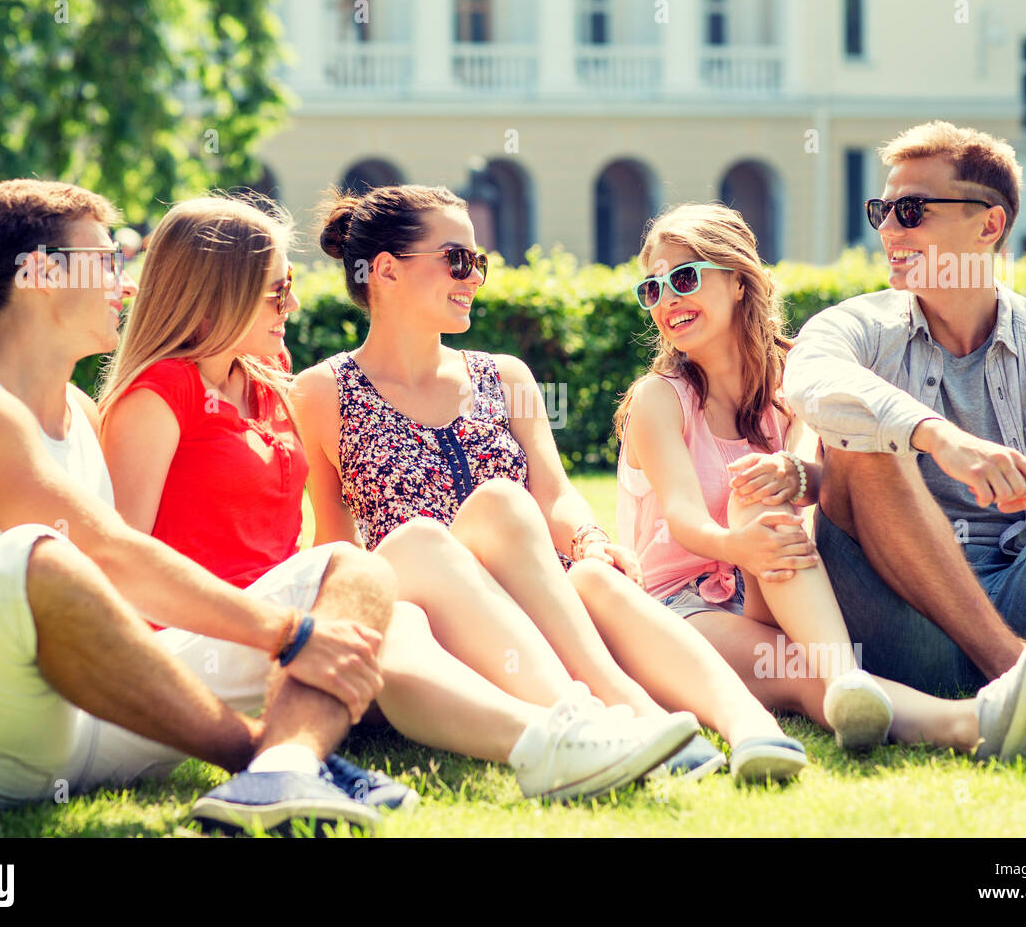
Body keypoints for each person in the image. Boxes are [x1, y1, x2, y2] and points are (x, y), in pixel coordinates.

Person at [97, 194, 697, 804]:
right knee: (415, 546)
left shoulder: (266, 386)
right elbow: (122, 570)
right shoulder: (158, 397)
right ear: (216, 291)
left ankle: (564, 731)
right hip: (225, 637)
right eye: (277, 291)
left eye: (292, 286)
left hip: (292, 624)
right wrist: (282, 627)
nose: (295, 305)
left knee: (400, 614)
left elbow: (310, 542)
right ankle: (575, 721)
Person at [0, 179, 411, 836]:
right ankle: (255, 759)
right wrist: (289, 634)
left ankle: (286, 767)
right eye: (107, 261)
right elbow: (107, 555)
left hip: (84, 720)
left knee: (351, 574)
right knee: (42, 556)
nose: (124, 285)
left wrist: (300, 618)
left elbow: (123, 598)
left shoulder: (81, 412)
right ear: (38, 272)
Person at [293, 184, 809, 783]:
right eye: (458, 260)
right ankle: (626, 709)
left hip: (536, 599)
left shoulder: (504, 375)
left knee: (589, 571)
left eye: (478, 263)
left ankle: (751, 729)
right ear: (385, 270)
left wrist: (590, 540)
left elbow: (557, 495)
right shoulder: (321, 391)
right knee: (499, 505)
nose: (474, 278)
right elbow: (334, 542)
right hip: (433, 613)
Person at [615, 201, 1026, 759]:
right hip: (684, 606)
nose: (667, 300)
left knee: (761, 485)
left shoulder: (797, 375)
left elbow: (808, 474)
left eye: (683, 278)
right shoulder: (658, 398)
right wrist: (739, 548)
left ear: (737, 281)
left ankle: (849, 677)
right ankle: (968, 719)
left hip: (784, 585)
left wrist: (764, 526)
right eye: (652, 289)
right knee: (802, 676)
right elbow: (683, 517)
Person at [783, 120, 1026, 747]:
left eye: (911, 210)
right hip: (905, 623)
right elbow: (811, 379)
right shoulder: (857, 326)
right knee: (863, 446)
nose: (888, 230)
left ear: (988, 224)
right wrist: (936, 435)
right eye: (882, 210)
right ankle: (1013, 674)